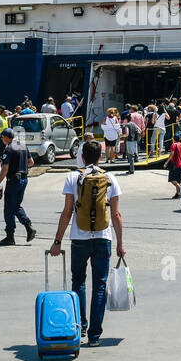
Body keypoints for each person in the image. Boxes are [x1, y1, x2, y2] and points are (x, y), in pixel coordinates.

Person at [49, 139, 126, 347]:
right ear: (100, 157)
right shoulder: (110, 178)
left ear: (82, 157)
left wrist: (57, 242)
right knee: (100, 286)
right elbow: (116, 214)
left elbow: (66, 213)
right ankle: (94, 336)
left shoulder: (73, 177)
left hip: (79, 238)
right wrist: (120, 243)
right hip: (103, 239)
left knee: (78, 282)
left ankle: (80, 325)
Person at [0, 129, 36, 246]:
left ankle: (10, 237)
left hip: (13, 181)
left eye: (2, 137)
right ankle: (28, 226)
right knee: (16, 206)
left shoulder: (9, 149)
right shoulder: (22, 146)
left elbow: (5, 169)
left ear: (7, 137)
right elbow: (31, 162)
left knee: (9, 209)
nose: (1, 140)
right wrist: (21, 168)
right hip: (23, 180)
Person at [167, 133, 181, 198]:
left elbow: (171, 154)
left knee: (171, 179)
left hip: (175, 165)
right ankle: (177, 194)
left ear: (174, 139)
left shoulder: (174, 145)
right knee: (178, 181)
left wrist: (166, 162)